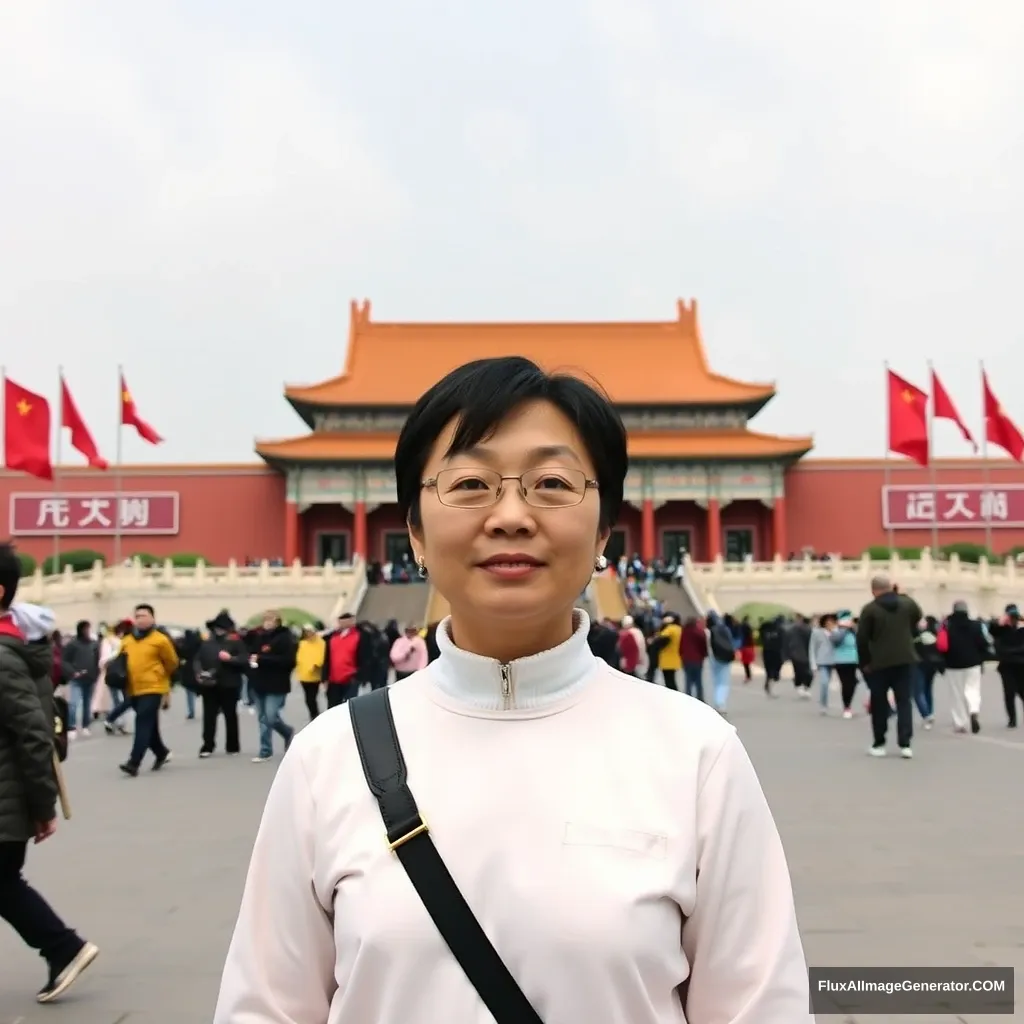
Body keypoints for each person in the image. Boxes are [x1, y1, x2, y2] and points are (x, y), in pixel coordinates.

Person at [215, 356, 811, 1023]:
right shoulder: (329, 758)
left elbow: (761, 1008)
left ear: (604, 532)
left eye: (551, 483)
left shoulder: (695, 753)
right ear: (413, 529)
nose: (510, 516)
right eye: (469, 483)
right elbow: (264, 1008)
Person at [0, 543, 99, 1002]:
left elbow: (33, 735)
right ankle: (63, 947)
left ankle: (63, 947)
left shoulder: (3, 657)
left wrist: (42, 808)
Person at [856, 575, 922, 757]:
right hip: (905, 658)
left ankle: (879, 743)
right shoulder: (907, 604)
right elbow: (917, 617)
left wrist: (865, 662)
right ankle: (905, 744)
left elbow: (862, 638)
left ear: (873, 590)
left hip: (879, 662)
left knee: (879, 703)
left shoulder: (870, 609)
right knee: (904, 701)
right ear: (892, 587)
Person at [118, 603, 179, 776]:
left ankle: (133, 762)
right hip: (133, 688)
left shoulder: (160, 640)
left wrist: (160, 675)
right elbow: (120, 661)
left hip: (153, 687)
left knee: (142, 722)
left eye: (144, 616)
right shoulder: (128, 640)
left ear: (152, 618)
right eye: (137, 616)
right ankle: (162, 752)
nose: (140, 619)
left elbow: (172, 662)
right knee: (149, 726)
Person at [194, 611, 247, 757]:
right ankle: (207, 745)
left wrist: (230, 659)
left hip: (229, 684)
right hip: (210, 684)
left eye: (221, 627)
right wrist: (199, 672)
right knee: (209, 716)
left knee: (230, 716)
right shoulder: (207, 643)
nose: (218, 630)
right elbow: (197, 659)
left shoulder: (236, 642)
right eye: (217, 627)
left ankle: (232, 746)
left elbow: (244, 660)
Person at [248, 610, 297, 763]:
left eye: (270, 620)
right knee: (262, 718)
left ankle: (287, 731)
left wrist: (262, 659)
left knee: (270, 716)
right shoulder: (260, 637)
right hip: (259, 682)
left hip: (277, 683)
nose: (267, 623)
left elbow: (288, 661)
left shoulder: (285, 638)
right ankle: (265, 750)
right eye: (265, 620)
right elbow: (252, 652)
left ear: (277, 621)